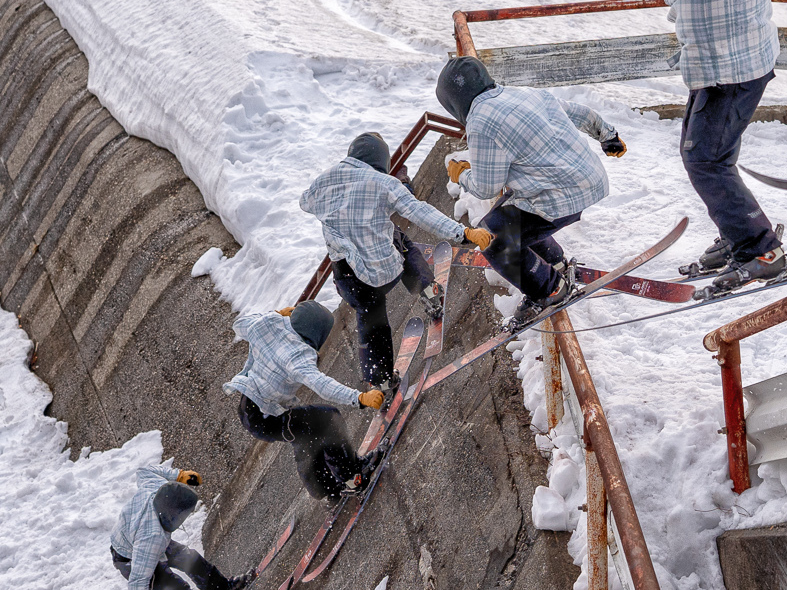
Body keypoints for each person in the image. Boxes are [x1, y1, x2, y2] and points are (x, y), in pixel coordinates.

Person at [600, 0, 787, 283]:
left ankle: (761, 251)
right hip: (735, 60)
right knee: (713, 154)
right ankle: (737, 229)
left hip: (731, 68)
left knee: (704, 159)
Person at [434, 55, 624, 327]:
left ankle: (550, 289)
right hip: (591, 179)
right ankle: (556, 263)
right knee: (512, 215)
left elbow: (485, 186)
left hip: (562, 197)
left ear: (453, 102)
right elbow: (580, 113)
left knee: (492, 239)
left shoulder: (481, 122)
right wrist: (608, 135)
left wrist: (462, 174)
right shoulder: (523, 94)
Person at [299, 130, 490, 389]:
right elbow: (419, 212)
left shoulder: (322, 182)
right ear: (381, 162)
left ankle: (382, 384)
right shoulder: (385, 184)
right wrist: (463, 232)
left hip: (348, 280)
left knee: (370, 320)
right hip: (383, 272)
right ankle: (429, 291)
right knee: (401, 241)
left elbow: (304, 202)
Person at [228, 300, 386, 499]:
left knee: (305, 434)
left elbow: (240, 324)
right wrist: (359, 398)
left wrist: (276, 313)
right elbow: (323, 386)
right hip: (266, 417)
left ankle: (326, 489)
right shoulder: (298, 357)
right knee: (328, 419)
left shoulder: (267, 324)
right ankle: (352, 477)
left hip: (248, 408)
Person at [111, 466, 246, 590]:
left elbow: (143, 471)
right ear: (170, 515)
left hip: (136, 536)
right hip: (130, 558)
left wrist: (178, 475)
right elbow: (137, 581)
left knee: (189, 558)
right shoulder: (152, 538)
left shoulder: (155, 488)